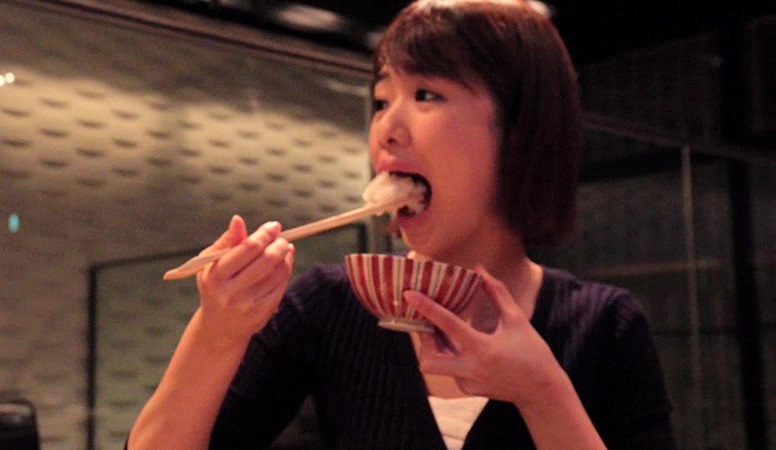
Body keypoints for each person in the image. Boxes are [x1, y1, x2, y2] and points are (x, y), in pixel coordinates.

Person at [128, 0, 675, 448]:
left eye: (426, 95)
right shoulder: (328, 307)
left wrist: (542, 394)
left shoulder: (604, 325)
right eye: (381, 100)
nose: (386, 129)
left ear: (519, 130)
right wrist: (217, 333)